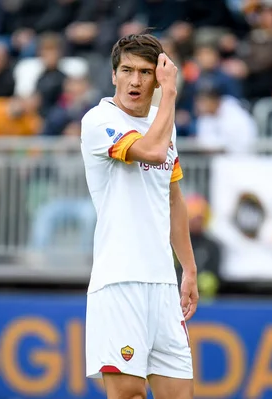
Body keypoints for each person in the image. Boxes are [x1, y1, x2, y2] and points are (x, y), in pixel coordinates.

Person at [80, 32, 199, 399]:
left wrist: (189, 269)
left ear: (156, 76)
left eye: (146, 72)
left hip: (162, 284)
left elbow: (172, 197)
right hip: (119, 282)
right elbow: (150, 151)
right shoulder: (99, 120)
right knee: (129, 394)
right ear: (113, 75)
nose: (135, 81)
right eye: (127, 70)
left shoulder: (164, 125)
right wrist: (171, 95)